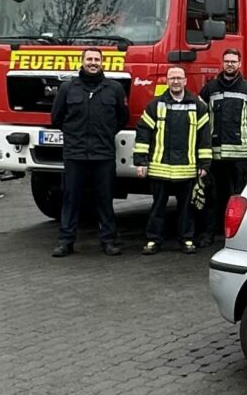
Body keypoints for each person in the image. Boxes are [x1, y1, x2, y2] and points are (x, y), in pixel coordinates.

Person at [50, 47, 129, 257]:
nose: (93, 63)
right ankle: (66, 242)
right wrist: (74, 136)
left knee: (105, 199)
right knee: (71, 198)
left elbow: (122, 118)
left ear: (102, 63)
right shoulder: (67, 88)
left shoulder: (114, 89)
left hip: (103, 154)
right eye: (89, 59)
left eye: (96, 59)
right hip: (75, 154)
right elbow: (57, 118)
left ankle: (109, 241)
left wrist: (105, 133)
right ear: (82, 61)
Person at [133, 66, 210, 255]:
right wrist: (141, 162)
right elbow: (143, 133)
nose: (175, 81)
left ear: (185, 81)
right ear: (167, 81)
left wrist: (204, 164)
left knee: (186, 208)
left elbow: (204, 137)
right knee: (157, 207)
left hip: (187, 168)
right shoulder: (155, 105)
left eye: (179, 78)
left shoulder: (198, 106)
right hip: (160, 169)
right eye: (172, 78)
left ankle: (187, 239)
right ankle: (153, 240)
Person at [197, 49, 247, 248]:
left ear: (240, 64)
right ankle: (209, 233)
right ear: (222, 63)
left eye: (233, 61)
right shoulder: (209, 89)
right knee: (212, 195)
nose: (230, 64)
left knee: (239, 196)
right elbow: (201, 117)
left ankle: (237, 235)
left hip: (240, 155)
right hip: (215, 154)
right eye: (226, 61)